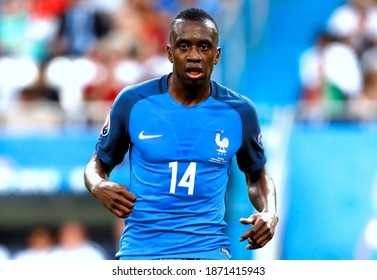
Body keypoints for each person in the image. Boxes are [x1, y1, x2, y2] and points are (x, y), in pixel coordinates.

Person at [84, 7, 278, 260]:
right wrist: (98, 185)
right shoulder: (133, 102)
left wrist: (269, 211)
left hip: (207, 253)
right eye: (184, 46)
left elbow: (257, 176)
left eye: (204, 47)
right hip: (142, 253)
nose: (194, 56)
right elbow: (97, 164)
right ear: (169, 52)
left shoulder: (240, 112)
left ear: (217, 55)